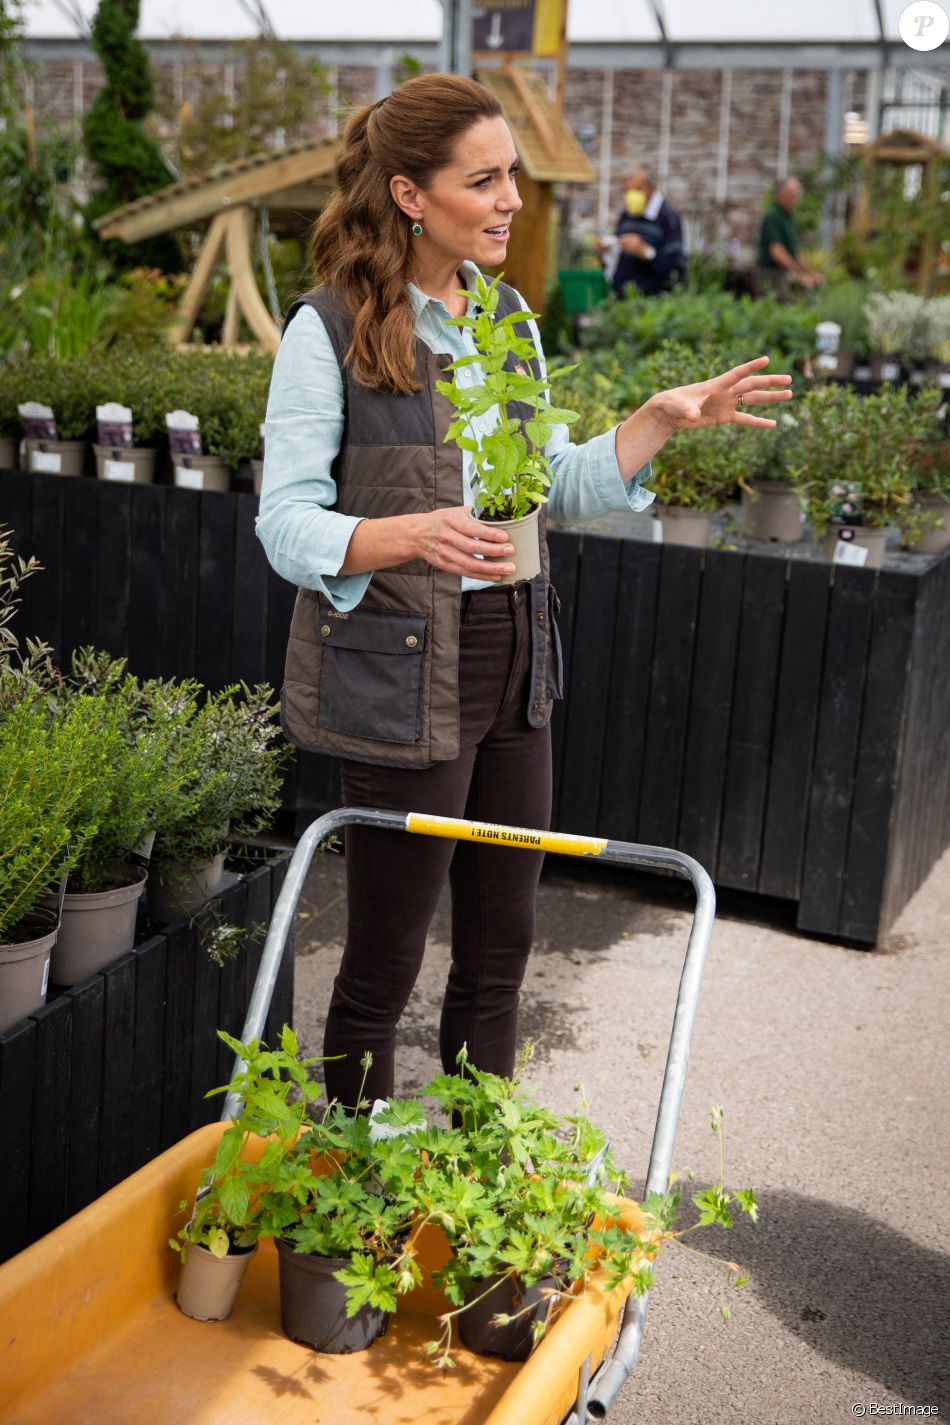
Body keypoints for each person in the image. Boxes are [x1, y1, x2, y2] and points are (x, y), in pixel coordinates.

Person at [256, 74, 792, 1110]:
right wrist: (406, 532)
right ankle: (353, 1200)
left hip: (515, 665)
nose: (510, 199)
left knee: (502, 949)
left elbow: (549, 483)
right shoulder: (327, 331)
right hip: (404, 680)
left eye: (512, 177)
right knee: (383, 963)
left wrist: (656, 419)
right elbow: (284, 523)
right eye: (485, 178)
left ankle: (477, 1178)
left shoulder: (504, 320)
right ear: (411, 195)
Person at [611, 167, 686, 297]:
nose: (631, 195)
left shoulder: (668, 217)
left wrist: (645, 252)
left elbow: (676, 271)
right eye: (627, 190)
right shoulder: (627, 214)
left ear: (652, 188)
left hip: (652, 301)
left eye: (638, 189)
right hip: (623, 298)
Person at [755, 176, 824, 297]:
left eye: (797, 194)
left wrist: (811, 273)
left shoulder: (788, 217)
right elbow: (777, 252)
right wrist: (799, 275)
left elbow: (795, 253)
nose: (796, 199)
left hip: (782, 275)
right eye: (793, 194)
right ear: (781, 194)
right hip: (771, 275)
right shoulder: (773, 216)